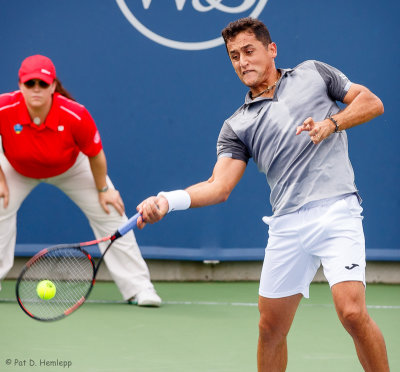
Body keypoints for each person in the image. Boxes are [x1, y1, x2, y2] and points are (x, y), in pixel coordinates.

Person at [136, 18, 390, 371]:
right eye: (234, 56)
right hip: (286, 225)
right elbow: (218, 186)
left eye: (249, 51)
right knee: (270, 328)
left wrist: (330, 124)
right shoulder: (237, 125)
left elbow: (372, 102)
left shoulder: (314, 73)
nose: (242, 61)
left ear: (272, 50)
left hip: (337, 211)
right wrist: (168, 200)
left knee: (351, 312)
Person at [0, 55, 161, 307]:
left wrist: (104, 189)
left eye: (42, 84)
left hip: (71, 168)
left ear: (53, 86)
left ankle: (140, 288)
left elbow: (95, 155)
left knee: (110, 210)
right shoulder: (3, 108)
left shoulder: (74, 114)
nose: (36, 89)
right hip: (16, 168)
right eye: (30, 83)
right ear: (20, 85)